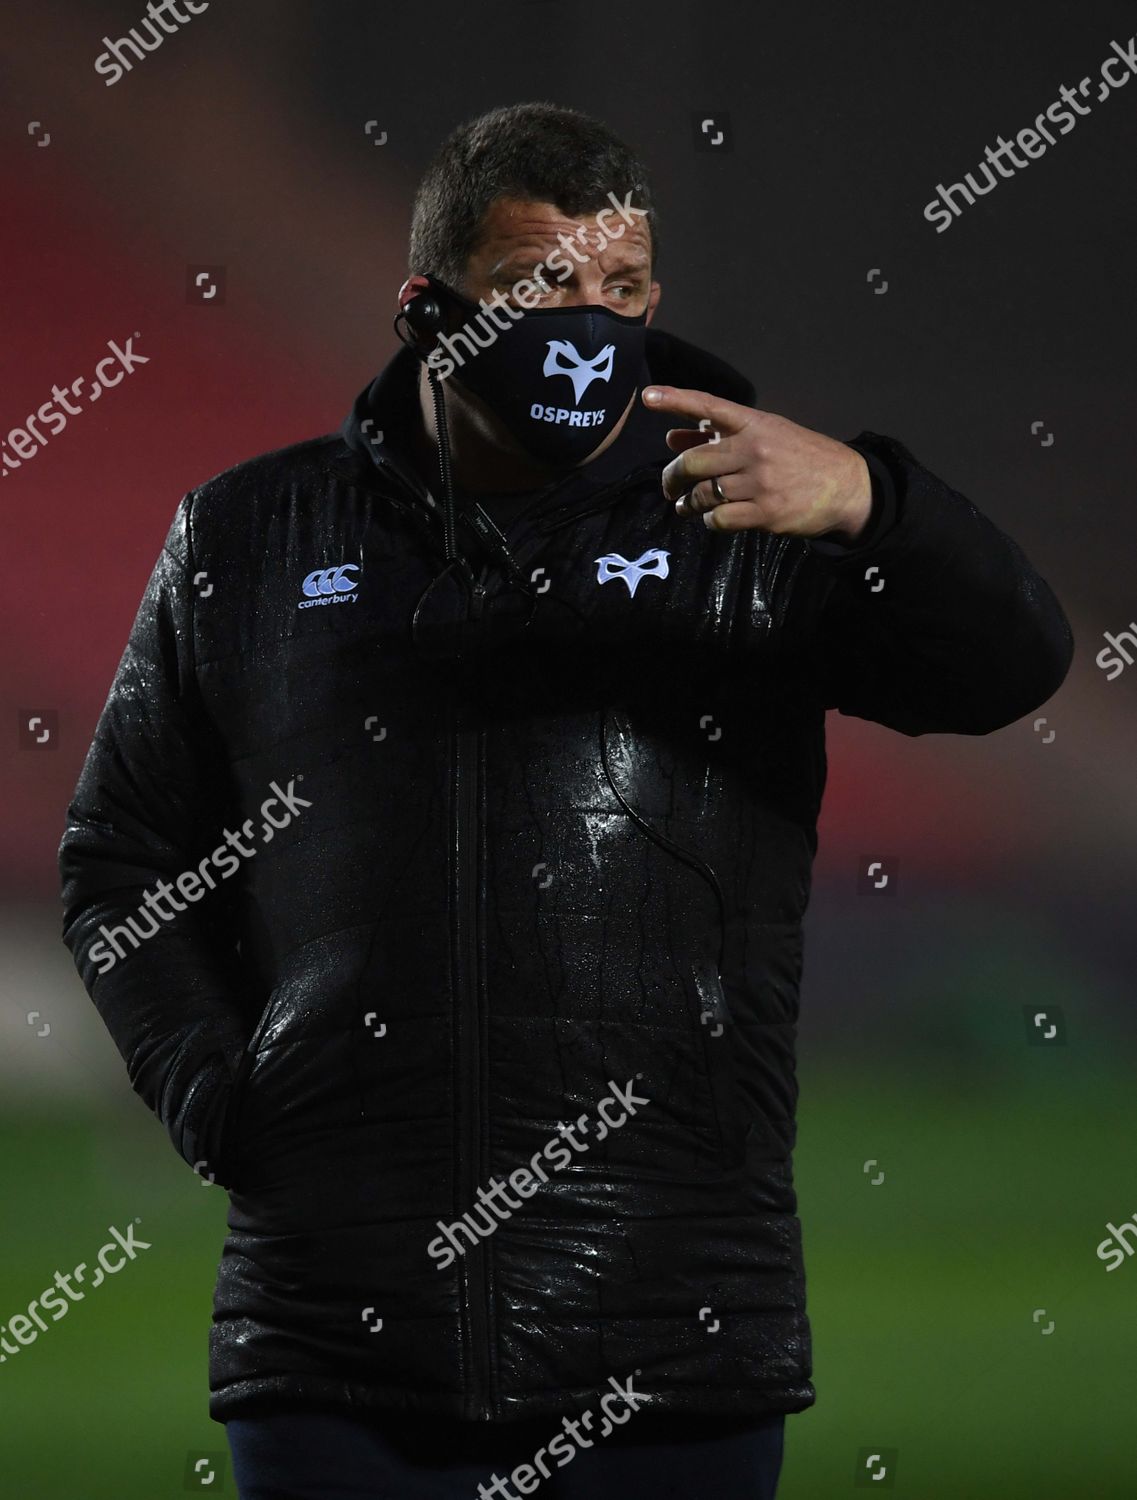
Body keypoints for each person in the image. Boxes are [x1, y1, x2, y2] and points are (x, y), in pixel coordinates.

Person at [58, 101, 1074, 1500]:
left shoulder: (748, 515)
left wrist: (875, 506)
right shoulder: (250, 534)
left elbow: (1007, 669)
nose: (588, 323)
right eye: (539, 287)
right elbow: (120, 855)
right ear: (429, 309)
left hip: (673, 1329)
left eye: (620, 289)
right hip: (338, 1339)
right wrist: (213, 1096)